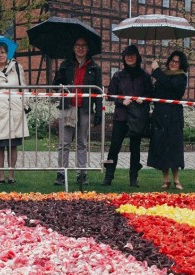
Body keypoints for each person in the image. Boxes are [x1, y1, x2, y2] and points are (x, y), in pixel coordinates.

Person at [52, 36, 103, 186]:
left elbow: (98, 92)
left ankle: (82, 173)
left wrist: (99, 112)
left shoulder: (94, 68)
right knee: (64, 142)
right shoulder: (65, 65)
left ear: (88, 49)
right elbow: (55, 85)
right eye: (77, 45)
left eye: (83, 45)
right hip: (68, 107)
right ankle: (61, 173)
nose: (80, 48)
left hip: (85, 109)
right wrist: (60, 83)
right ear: (73, 48)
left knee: (82, 143)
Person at [103, 45, 152, 188]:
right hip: (121, 117)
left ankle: (133, 178)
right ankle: (108, 176)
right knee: (114, 148)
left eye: (132, 55)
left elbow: (150, 94)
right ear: (124, 58)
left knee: (135, 149)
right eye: (126, 55)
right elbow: (110, 95)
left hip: (137, 118)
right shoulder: (118, 75)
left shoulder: (145, 76)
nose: (129, 58)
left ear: (137, 57)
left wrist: (143, 99)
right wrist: (121, 101)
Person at [0, 42, 29, 184]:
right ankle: (1, 175)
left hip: (14, 109)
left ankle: (11, 175)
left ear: (7, 53)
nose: (0, 55)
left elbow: (24, 87)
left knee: (13, 144)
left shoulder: (17, 68)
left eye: (3, 52)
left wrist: (24, 104)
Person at [147, 51, 188, 190]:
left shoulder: (182, 77)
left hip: (174, 116)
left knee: (174, 147)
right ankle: (165, 180)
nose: (173, 63)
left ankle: (176, 179)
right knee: (162, 146)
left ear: (181, 64)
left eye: (177, 61)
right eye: (172, 60)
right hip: (160, 115)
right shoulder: (162, 75)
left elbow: (173, 88)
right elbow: (156, 92)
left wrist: (157, 71)